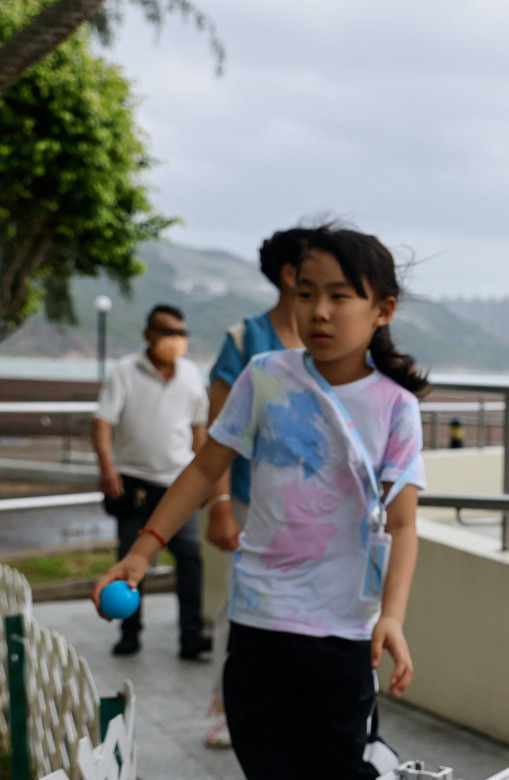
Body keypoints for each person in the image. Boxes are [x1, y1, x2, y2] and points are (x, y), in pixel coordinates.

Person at [93, 226, 427, 779]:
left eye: (339, 296)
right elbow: (205, 467)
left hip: (344, 629)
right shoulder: (265, 376)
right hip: (261, 617)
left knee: (338, 765)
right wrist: (142, 550)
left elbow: (403, 524)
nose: (319, 311)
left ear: (382, 309)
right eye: (306, 293)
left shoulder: (395, 407)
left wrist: (391, 616)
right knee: (266, 761)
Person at [201, 228, 309, 748]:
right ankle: (224, 703)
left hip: (313, 509)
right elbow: (216, 432)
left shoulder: (331, 340)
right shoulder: (245, 339)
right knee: (241, 602)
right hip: (248, 498)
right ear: (291, 275)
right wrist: (220, 506)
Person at [92, 304, 212, 660]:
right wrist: (107, 468)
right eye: (168, 332)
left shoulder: (191, 374)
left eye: (181, 333)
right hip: (133, 482)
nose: (176, 340)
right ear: (149, 335)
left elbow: (198, 430)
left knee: (190, 556)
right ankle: (130, 633)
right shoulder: (125, 372)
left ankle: (190, 636)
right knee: (131, 559)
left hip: (179, 482)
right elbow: (102, 422)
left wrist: (203, 480)